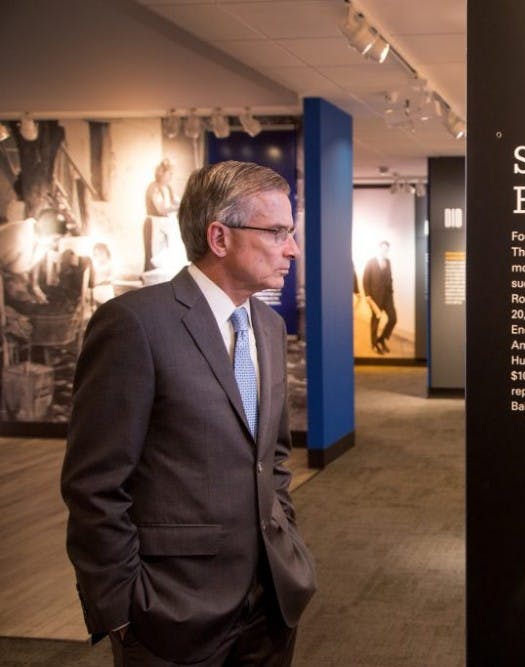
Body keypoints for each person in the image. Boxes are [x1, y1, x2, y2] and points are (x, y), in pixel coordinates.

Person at [61, 160, 316, 666]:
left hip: (270, 601)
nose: (292, 248)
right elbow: (94, 485)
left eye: (292, 232)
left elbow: (274, 458)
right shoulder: (134, 325)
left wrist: (284, 536)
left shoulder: (265, 323)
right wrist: (122, 608)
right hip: (170, 613)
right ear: (219, 237)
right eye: (277, 232)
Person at [362, 240, 396, 354]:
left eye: (387, 249)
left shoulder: (388, 262)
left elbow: (389, 277)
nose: (384, 251)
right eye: (383, 248)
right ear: (379, 248)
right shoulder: (370, 262)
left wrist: (391, 291)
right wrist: (368, 296)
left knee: (393, 319)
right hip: (375, 298)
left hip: (387, 297)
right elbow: (365, 281)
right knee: (375, 321)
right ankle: (374, 343)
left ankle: (382, 339)